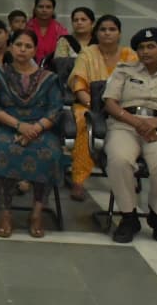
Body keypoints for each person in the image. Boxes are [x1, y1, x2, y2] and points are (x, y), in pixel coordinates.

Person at [0, 29, 64, 239]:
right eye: (18, 45)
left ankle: (36, 213)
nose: (22, 50)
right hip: (7, 127)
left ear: (35, 50)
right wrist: (19, 126)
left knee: (49, 152)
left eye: (28, 46)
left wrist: (34, 129)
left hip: (40, 129)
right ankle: (5, 213)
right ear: (10, 46)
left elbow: (56, 108)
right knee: (2, 150)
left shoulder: (49, 79)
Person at [103, 27, 157, 243]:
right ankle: (129, 217)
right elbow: (110, 103)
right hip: (125, 125)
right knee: (119, 159)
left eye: (151, 47)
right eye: (141, 48)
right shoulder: (124, 71)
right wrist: (137, 122)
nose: (146, 52)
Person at [67, 15, 137, 202]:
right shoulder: (88, 54)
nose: (107, 33)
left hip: (124, 108)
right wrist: (94, 105)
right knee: (84, 120)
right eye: (103, 29)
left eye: (112, 29)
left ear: (120, 33)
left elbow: (137, 87)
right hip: (89, 105)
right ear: (96, 33)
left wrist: (116, 109)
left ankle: (127, 173)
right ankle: (78, 180)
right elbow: (78, 83)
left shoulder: (130, 55)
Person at [26, 0, 67, 64]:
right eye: (41, 7)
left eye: (48, 7)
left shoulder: (60, 30)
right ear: (35, 9)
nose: (44, 10)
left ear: (53, 10)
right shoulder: (26, 28)